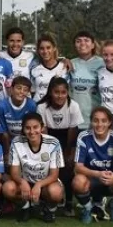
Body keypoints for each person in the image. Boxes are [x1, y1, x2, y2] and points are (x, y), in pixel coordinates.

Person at [73, 106, 113, 224]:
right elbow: (78, 167)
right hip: (91, 180)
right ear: (91, 121)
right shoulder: (84, 137)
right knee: (77, 181)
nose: (99, 124)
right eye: (96, 120)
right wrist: (97, 174)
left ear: (110, 122)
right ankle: (88, 208)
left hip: (111, 181)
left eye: (104, 121)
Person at [2, 112, 64, 223]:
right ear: (23, 129)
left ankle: (48, 209)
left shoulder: (53, 143)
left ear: (42, 127)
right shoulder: (16, 142)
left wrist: (39, 185)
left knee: (56, 192)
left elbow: (54, 175)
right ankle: (25, 207)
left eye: (35, 127)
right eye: (27, 128)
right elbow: (14, 172)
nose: (31, 132)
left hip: (46, 183)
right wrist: (22, 182)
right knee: (8, 188)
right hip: (25, 183)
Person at [37, 77, 83, 217]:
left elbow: (73, 131)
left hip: (67, 138)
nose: (60, 95)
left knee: (68, 168)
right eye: (56, 92)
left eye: (63, 92)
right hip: (49, 138)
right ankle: (46, 200)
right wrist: (49, 153)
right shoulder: (42, 107)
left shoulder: (73, 106)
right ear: (50, 92)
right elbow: (43, 132)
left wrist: (69, 153)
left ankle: (68, 201)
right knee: (49, 167)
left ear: (67, 93)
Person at [69, 31, 104, 130]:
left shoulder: (102, 63)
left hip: (96, 120)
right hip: (75, 120)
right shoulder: (70, 63)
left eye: (86, 40)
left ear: (93, 45)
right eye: (78, 41)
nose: (82, 43)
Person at [0, 76, 37, 158]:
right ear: (11, 89)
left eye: (25, 90)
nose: (21, 92)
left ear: (28, 92)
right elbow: (3, 133)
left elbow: (32, 129)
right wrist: (7, 153)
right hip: (9, 140)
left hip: (25, 139)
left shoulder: (31, 105)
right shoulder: (2, 106)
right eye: (18, 88)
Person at [29, 34, 69, 102]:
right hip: (38, 108)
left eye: (48, 47)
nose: (45, 51)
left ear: (54, 48)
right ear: (38, 50)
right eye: (42, 48)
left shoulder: (64, 68)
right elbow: (32, 91)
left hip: (56, 108)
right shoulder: (34, 69)